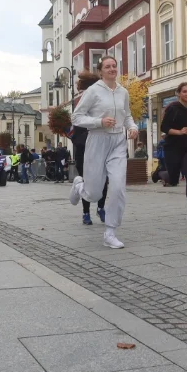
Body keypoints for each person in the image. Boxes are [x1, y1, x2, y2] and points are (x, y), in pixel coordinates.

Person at [69, 56, 137, 249]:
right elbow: (76, 117)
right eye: (107, 66)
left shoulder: (123, 92)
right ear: (101, 71)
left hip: (117, 142)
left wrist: (131, 127)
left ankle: (110, 233)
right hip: (97, 141)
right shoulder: (93, 91)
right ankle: (79, 186)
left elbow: (127, 115)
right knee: (94, 194)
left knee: (117, 188)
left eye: (114, 66)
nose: (112, 69)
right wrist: (99, 122)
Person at [66, 71, 108, 225]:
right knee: (88, 181)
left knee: (104, 179)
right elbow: (77, 128)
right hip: (84, 148)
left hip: (101, 147)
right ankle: (85, 213)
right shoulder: (83, 103)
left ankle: (101, 208)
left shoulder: (103, 102)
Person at [160, 82, 187, 222]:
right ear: (178, 93)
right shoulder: (173, 108)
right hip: (172, 148)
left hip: (186, 148)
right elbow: (164, 127)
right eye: (184, 91)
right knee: (172, 180)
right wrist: (179, 132)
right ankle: (158, 173)